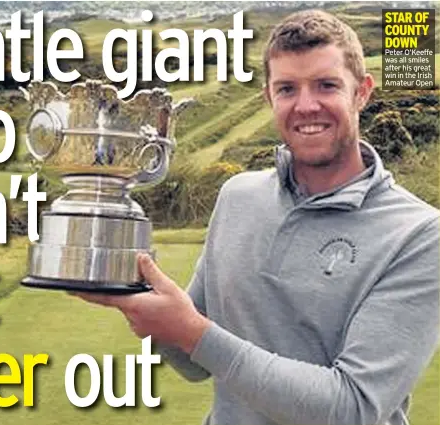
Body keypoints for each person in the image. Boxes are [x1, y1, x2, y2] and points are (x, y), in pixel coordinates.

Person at [75, 10, 439, 425]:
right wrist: (131, 295)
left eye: (326, 85)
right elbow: (196, 360)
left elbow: (352, 408)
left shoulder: (420, 234)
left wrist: (192, 331)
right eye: (287, 88)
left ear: (362, 92)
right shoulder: (238, 196)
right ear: (269, 97)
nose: (306, 105)